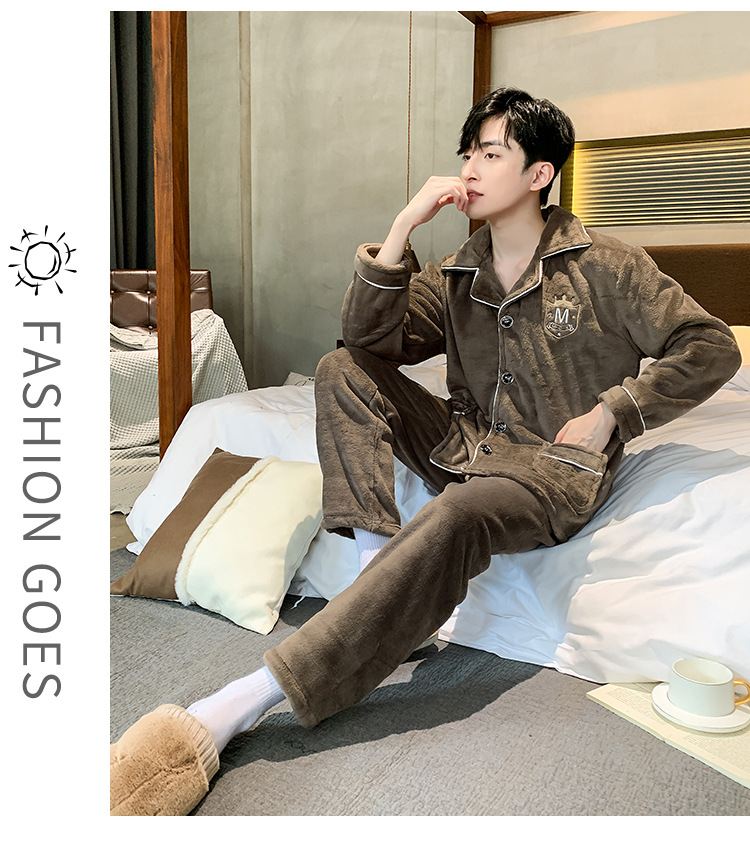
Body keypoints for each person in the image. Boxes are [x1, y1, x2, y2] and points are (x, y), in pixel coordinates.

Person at [110, 87, 741, 815]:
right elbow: (368, 342)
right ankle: (374, 565)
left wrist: (612, 413)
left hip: (551, 470)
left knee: (456, 514)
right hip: (465, 446)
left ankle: (241, 701)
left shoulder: (608, 266)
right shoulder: (459, 270)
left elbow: (711, 345)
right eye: (467, 152)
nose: (470, 167)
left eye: (491, 153)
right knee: (340, 369)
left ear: (539, 173)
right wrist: (401, 227)